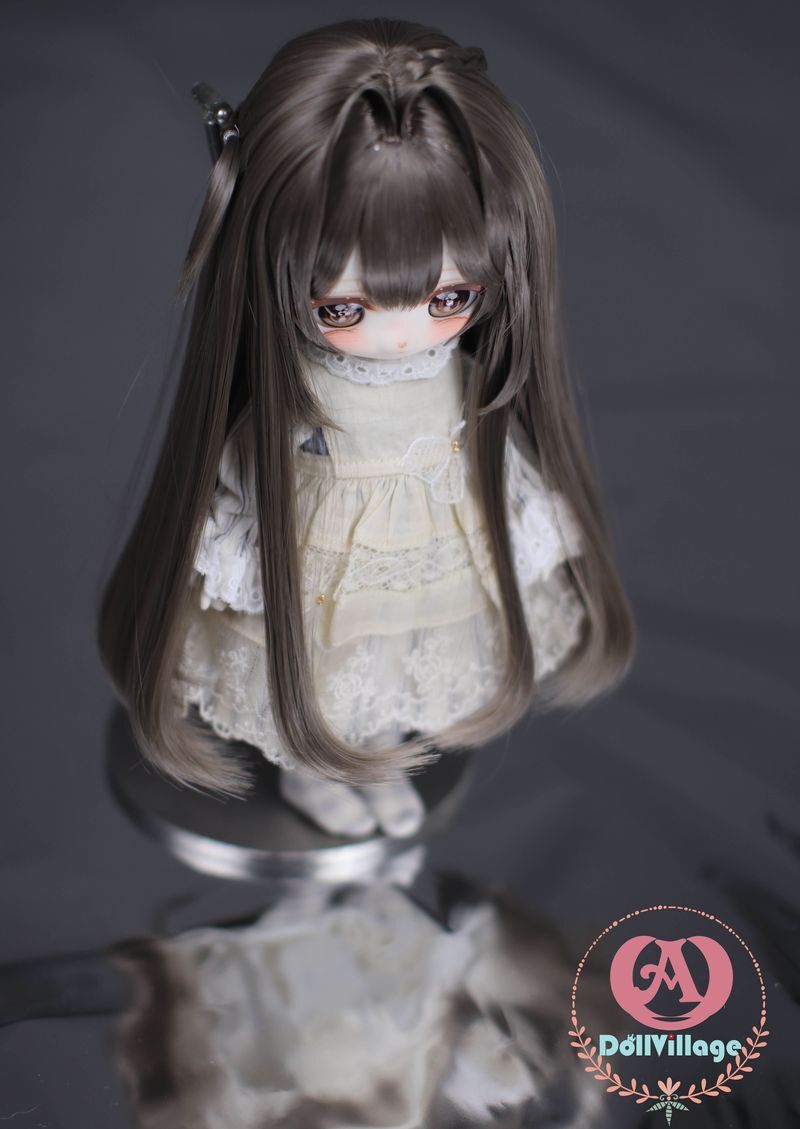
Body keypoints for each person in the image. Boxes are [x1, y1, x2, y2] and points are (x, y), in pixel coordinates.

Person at [97, 18, 635, 837]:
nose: (403, 333)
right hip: (319, 556)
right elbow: (243, 469)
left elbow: (499, 462)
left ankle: (379, 753)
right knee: (319, 668)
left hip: (436, 545)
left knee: (398, 666)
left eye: (450, 297)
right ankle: (317, 772)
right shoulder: (297, 392)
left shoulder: (463, 379)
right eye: (346, 307)